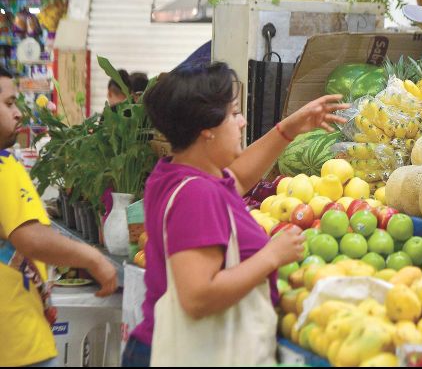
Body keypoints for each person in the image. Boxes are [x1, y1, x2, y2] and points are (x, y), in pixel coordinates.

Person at [122, 62, 348, 367]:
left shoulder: (178, 174)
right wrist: (272, 256)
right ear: (207, 131)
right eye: (234, 113)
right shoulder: (196, 194)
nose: (241, 123)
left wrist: (288, 129)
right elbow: (197, 297)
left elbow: (238, 179)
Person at [0, 65, 118, 367]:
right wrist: (93, 258)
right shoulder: (4, 169)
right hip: (16, 341)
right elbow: (30, 238)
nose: (18, 114)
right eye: (9, 104)